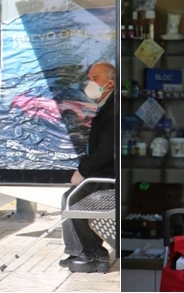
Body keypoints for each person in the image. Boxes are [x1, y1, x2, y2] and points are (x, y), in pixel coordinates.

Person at [59, 62, 116, 273]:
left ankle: (89, 253)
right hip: (103, 172)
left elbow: (106, 149)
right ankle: (82, 251)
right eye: (89, 78)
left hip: (107, 175)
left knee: (71, 198)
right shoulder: (108, 105)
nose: (90, 83)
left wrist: (82, 172)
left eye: (95, 78)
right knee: (73, 196)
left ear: (110, 82)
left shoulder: (114, 108)